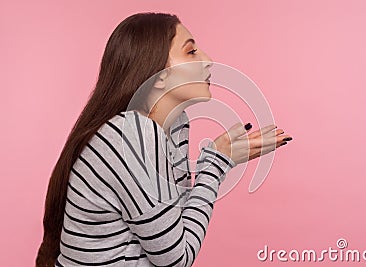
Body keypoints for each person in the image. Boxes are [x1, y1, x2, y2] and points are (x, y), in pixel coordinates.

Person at [35, 12, 293, 267]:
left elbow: (171, 225)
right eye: (191, 52)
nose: (208, 60)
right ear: (158, 76)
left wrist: (219, 158)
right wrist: (217, 163)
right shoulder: (132, 136)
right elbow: (175, 258)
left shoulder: (175, 125)